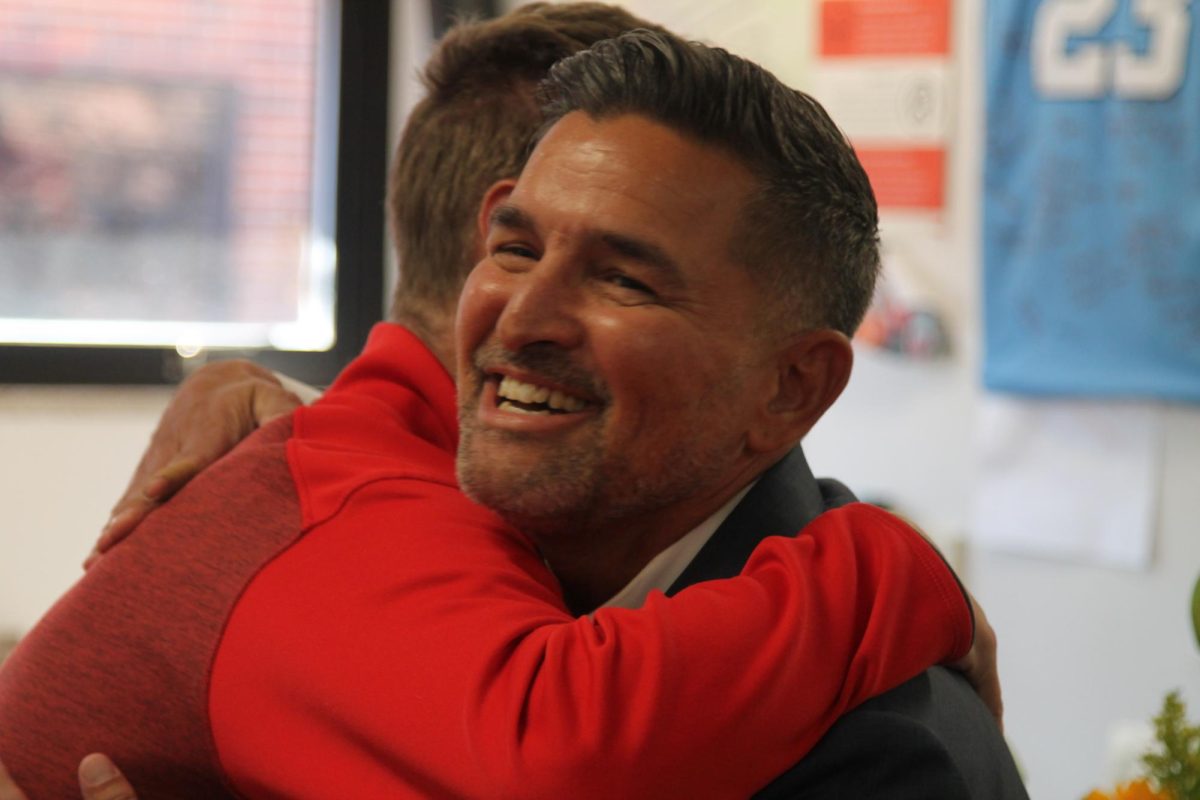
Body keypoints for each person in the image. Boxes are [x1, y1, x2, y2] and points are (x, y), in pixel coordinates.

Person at [0, 8, 990, 800]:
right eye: (514, 247)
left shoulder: (877, 756)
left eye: (626, 278)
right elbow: (556, 748)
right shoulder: (361, 502)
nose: (524, 314)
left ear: (792, 387)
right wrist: (897, 567)